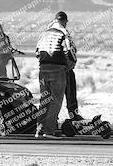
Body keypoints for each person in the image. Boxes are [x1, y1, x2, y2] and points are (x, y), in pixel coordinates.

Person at [35, 11, 76, 139]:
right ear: (64, 21)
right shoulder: (63, 33)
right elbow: (68, 52)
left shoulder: (44, 33)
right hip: (57, 70)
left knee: (44, 100)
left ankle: (39, 130)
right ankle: (49, 131)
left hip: (43, 70)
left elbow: (37, 53)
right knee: (55, 100)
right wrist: (71, 65)